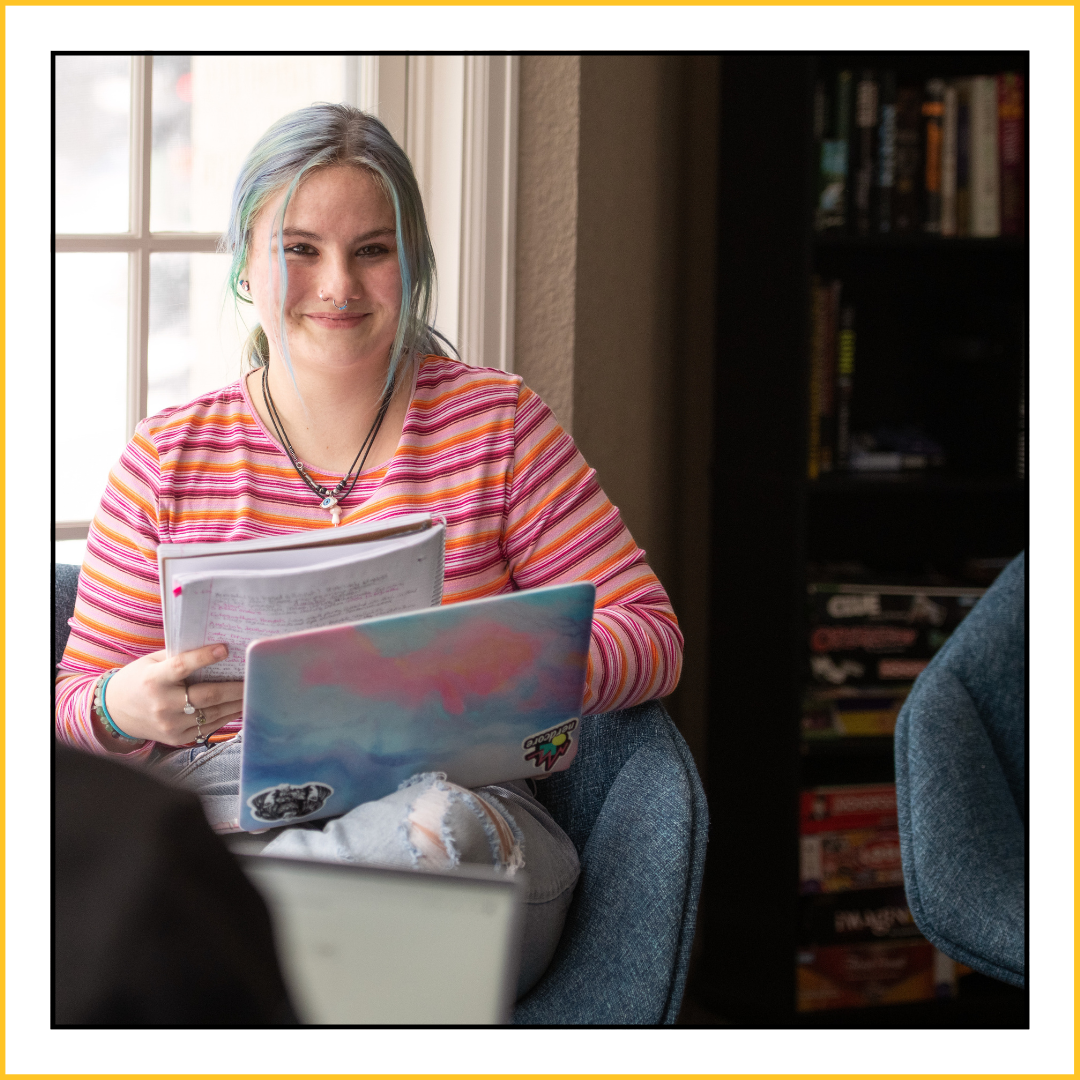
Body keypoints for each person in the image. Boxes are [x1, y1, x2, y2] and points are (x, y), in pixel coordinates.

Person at [55, 104, 683, 998]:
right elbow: (75, 709)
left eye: (373, 250)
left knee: (428, 838)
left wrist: (495, 658)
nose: (338, 284)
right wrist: (129, 706)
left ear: (413, 261)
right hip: (229, 805)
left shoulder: (497, 425)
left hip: (450, 816)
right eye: (300, 249)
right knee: (119, 863)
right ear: (244, 263)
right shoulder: (169, 456)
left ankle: (225, 946)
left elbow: (653, 638)